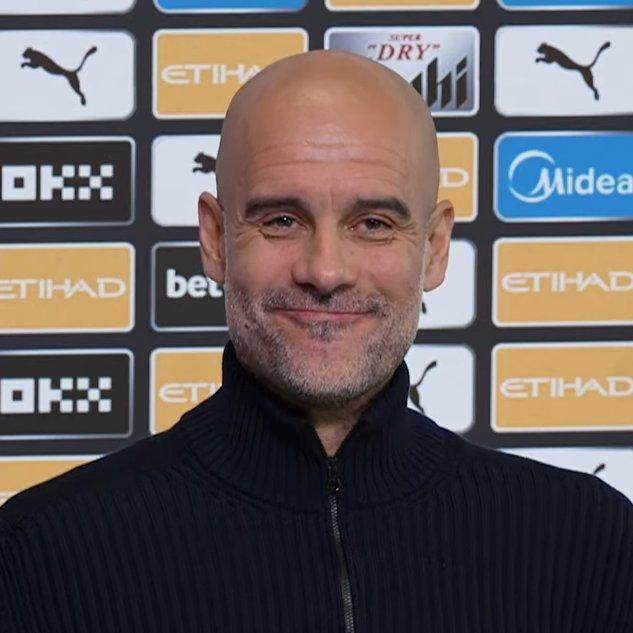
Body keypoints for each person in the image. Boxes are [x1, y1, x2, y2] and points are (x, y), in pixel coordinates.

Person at [1, 50, 631, 633]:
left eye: (373, 224)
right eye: (282, 220)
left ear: (435, 248)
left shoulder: (590, 545)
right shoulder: (40, 555)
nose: (326, 271)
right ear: (216, 240)